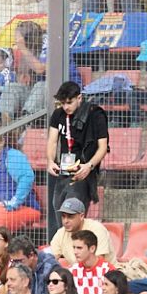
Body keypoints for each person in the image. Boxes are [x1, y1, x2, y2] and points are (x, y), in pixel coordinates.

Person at [44, 81, 109, 231]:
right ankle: (63, 243)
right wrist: (50, 161)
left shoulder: (95, 115)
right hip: (63, 172)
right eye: (63, 103)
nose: (66, 107)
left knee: (72, 214)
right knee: (58, 211)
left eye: (69, 102)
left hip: (83, 172)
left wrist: (89, 166)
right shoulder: (58, 114)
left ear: (79, 98)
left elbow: (103, 147)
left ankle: (76, 242)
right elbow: (52, 141)